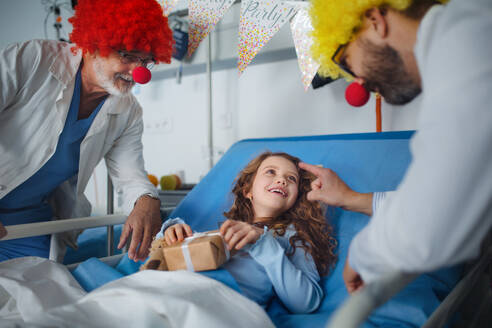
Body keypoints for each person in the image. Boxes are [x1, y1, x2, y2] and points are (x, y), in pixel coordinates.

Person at [301, 0, 492, 292]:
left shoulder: (463, 44)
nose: (358, 83)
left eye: (345, 61)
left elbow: (429, 226)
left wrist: (363, 254)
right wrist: (349, 197)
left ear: (374, 20)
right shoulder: (462, 33)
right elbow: (440, 192)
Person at [0, 0, 174, 262]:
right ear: (93, 45)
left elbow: (130, 176)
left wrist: (147, 199)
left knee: (29, 296)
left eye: (146, 61)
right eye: (127, 56)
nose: (138, 73)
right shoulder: (32, 60)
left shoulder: (128, 111)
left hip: (29, 225)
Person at [157, 152, 337, 313]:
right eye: (271, 172)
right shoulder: (226, 229)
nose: (282, 180)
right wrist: (172, 232)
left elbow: (306, 303)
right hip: (176, 289)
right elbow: (172, 255)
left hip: (221, 304)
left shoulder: (293, 238)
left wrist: (264, 242)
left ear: (296, 197)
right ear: (248, 191)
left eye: (291, 178)